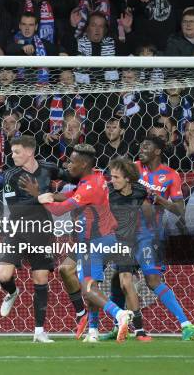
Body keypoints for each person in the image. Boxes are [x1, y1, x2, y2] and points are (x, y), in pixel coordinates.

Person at [37, 144, 133, 343]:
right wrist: (53, 195)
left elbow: (59, 210)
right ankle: (93, 331)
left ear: (84, 163)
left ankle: (119, 314)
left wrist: (43, 200)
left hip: (95, 241)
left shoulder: (90, 186)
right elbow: (72, 196)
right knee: (68, 269)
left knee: (88, 287)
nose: (67, 164)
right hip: (96, 239)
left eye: (72, 161)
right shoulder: (94, 178)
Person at [0, 135, 73, 343]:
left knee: (40, 279)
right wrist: (38, 198)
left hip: (41, 229)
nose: (12, 156)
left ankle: (39, 331)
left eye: (17, 152)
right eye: (12, 152)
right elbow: (14, 208)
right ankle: (12, 292)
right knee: (4, 276)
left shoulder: (49, 168)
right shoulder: (10, 175)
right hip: (18, 228)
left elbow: (72, 177)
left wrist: (86, 180)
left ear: (29, 152)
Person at [134, 136, 194, 340]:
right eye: (141, 145)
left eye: (147, 146)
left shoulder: (171, 175)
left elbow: (180, 209)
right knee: (122, 278)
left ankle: (186, 324)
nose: (141, 148)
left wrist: (159, 199)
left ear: (157, 151)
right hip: (124, 232)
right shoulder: (133, 168)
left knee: (152, 280)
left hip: (149, 235)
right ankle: (122, 326)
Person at [101, 157, 153, 342]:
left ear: (128, 179)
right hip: (106, 241)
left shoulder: (140, 192)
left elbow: (149, 211)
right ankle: (101, 328)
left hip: (126, 244)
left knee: (124, 282)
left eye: (116, 177)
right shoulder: (107, 193)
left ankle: (139, 330)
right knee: (90, 279)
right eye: (111, 176)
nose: (111, 180)